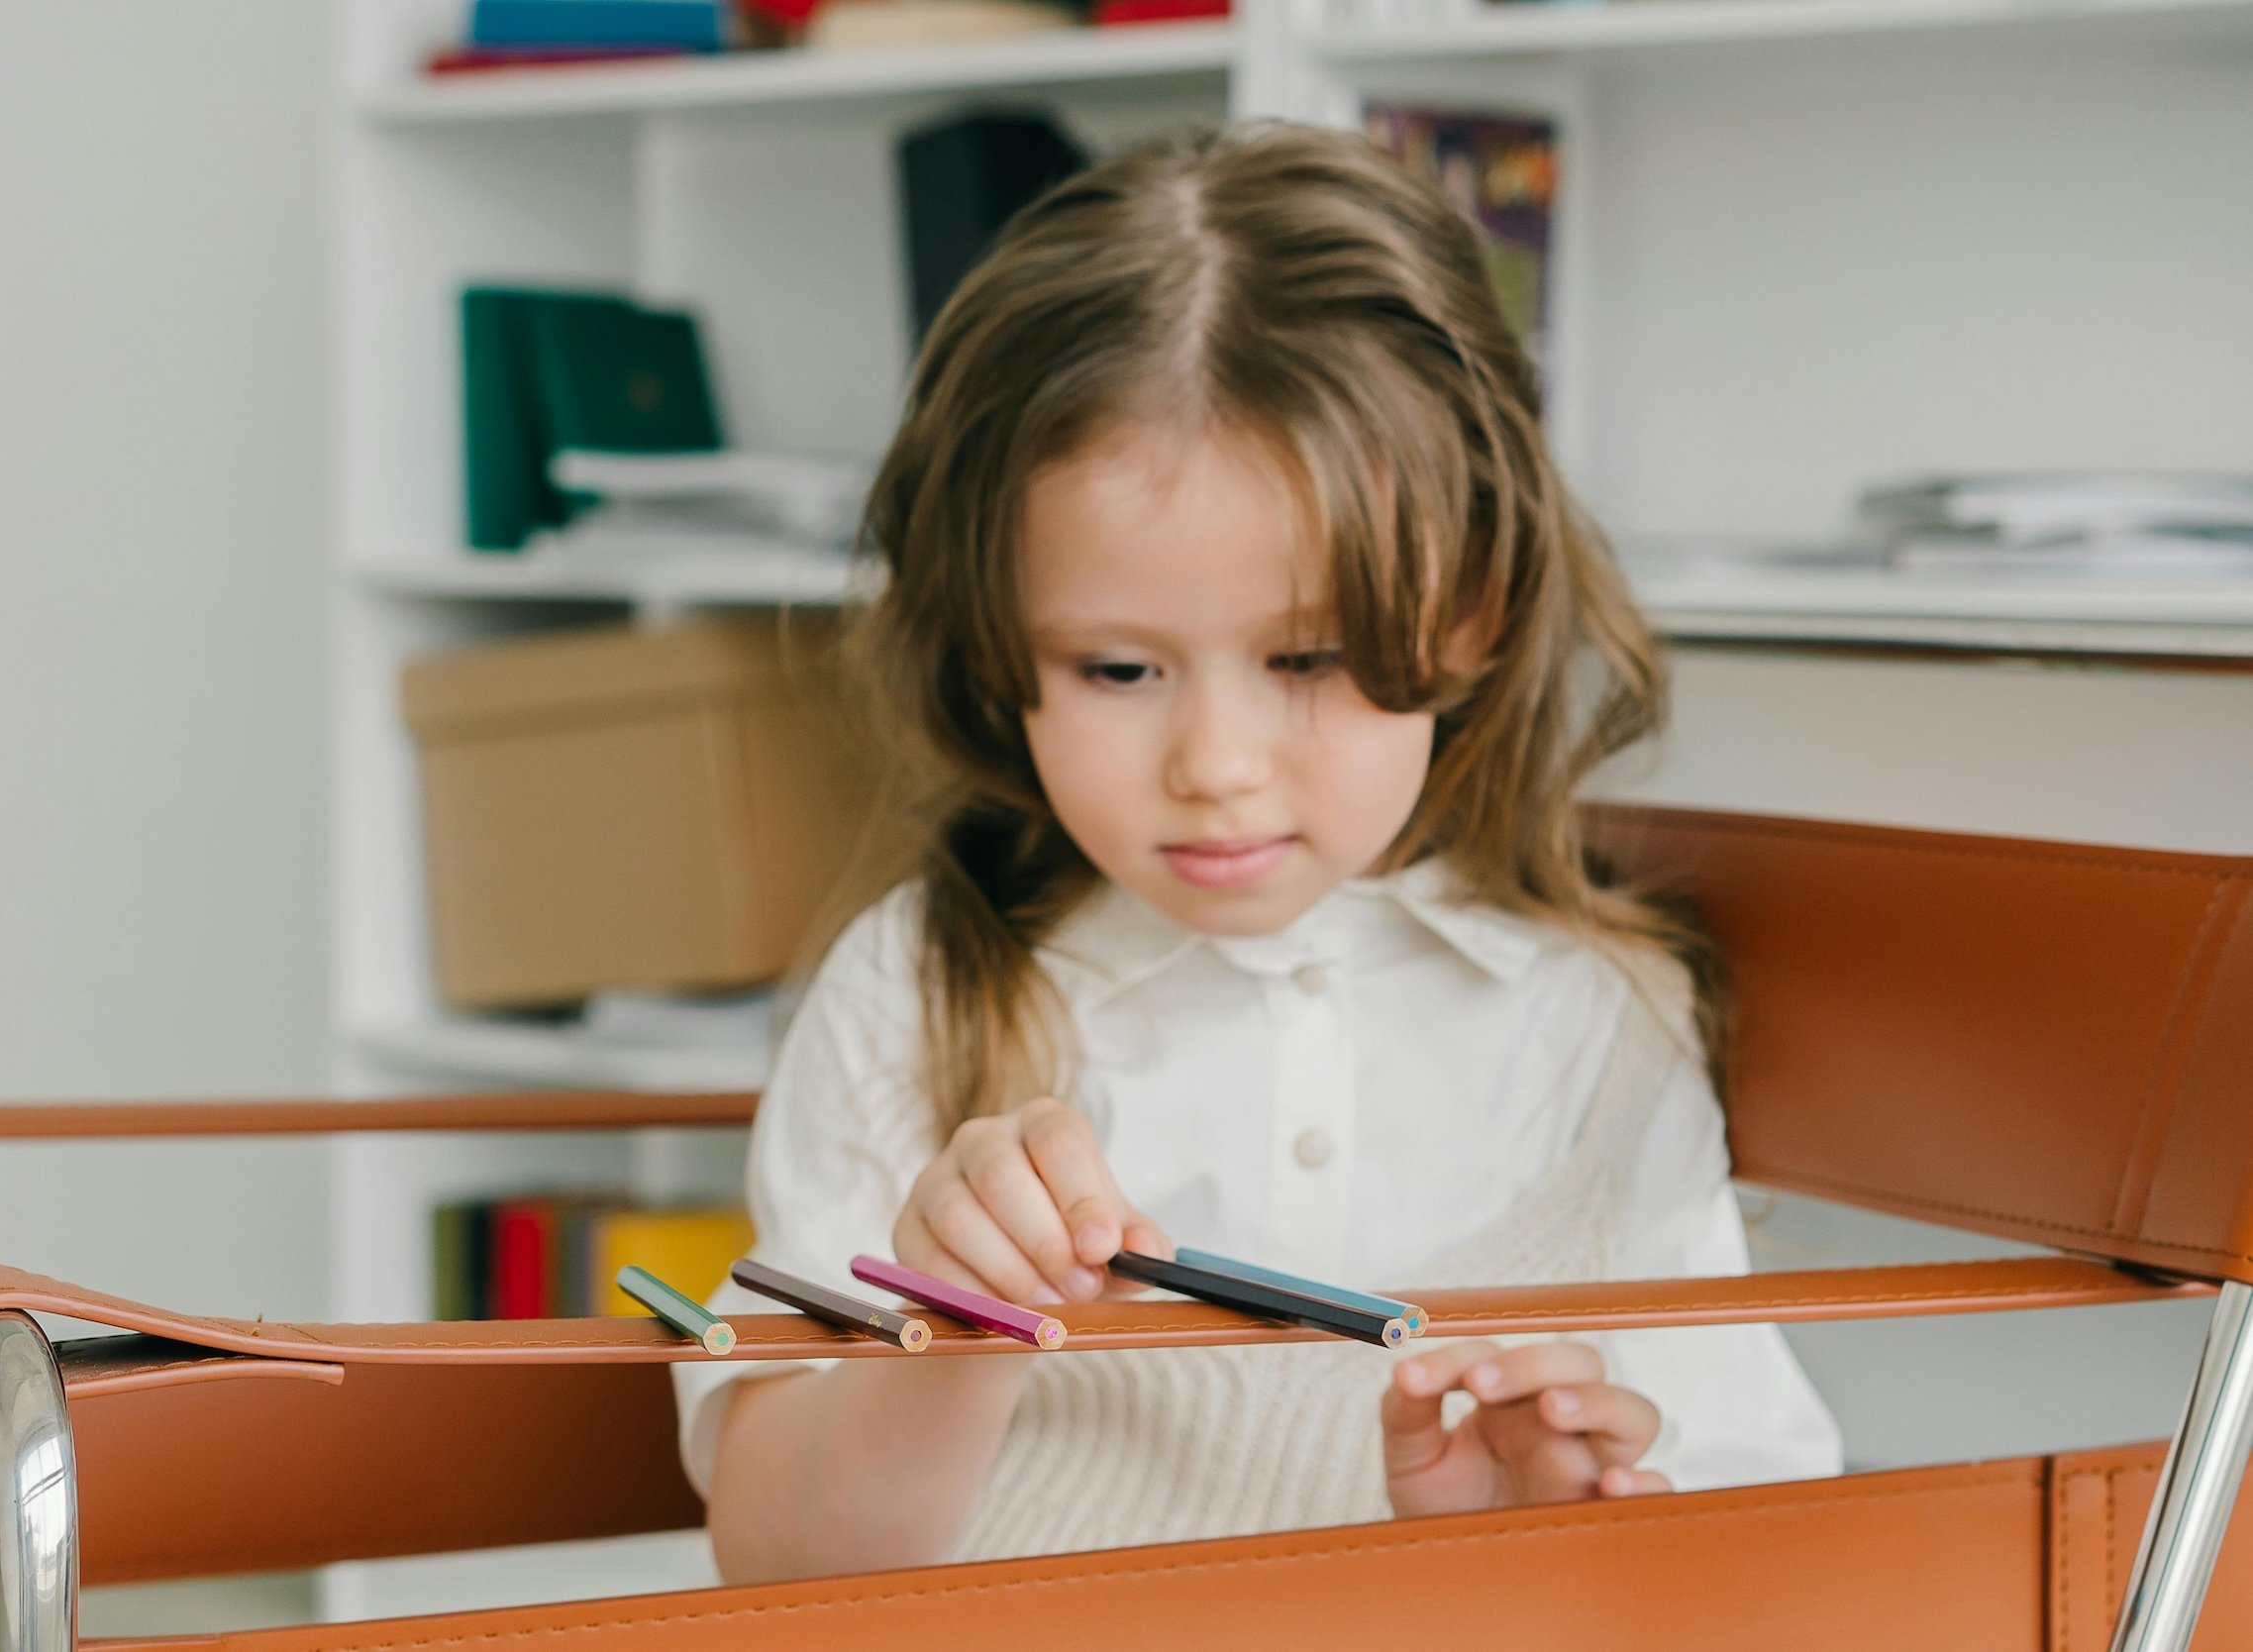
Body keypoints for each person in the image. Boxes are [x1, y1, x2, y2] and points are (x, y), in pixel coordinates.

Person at [673, 121, 1841, 1585]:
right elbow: (776, 1572)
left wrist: (1536, 1537)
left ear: (1475, 607)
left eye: (1309, 655)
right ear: (998, 643)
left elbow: (1745, 1549)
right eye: (1116, 670)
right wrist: (945, 1339)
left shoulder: (1601, 1024)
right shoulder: (915, 995)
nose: (1215, 766)